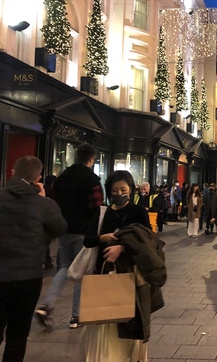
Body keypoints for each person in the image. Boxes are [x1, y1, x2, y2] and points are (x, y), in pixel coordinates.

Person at [80, 170, 157, 360]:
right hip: (104, 273)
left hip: (130, 274)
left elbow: (147, 240)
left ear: (131, 190)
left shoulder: (138, 211)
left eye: (123, 189)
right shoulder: (101, 212)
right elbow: (87, 240)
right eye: (115, 190)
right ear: (109, 191)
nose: (119, 193)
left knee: (128, 319)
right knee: (104, 319)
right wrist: (102, 238)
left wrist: (122, 247)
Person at [0, 156, 67, 362]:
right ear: (38, 177)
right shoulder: (45, 204)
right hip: (28, 277)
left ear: (12, 172)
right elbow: (60, 228)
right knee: (18, 334)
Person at [35, 143, 103, 330]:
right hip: (84, 232)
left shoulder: (63, 178)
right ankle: (76, 316)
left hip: (64, 230)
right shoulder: (92, 180)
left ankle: (47, 304)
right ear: (91, 159)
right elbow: (97, 207)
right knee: (82, 271)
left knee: (65, 267)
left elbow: (54, 203)